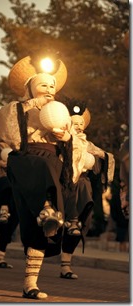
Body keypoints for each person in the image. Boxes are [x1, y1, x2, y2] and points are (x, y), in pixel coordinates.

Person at [0, 55, 71, 299]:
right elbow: (7, 136)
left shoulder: (60, 112)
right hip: (26, 160)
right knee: (37, 175)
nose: (50, 89)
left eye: (53, 85)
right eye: (44, 84)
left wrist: (66, 138)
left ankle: (30, 284)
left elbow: (73, 146)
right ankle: (46, 207)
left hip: (52, 161)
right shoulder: (17, 108)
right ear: (31, 86)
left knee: (42, 228)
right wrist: (33, 106)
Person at [57, 98, 115, 279]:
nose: (79, 126)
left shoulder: (88, 144)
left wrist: (101, 157)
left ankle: (66, 265)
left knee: (83, 222)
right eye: (75, 123)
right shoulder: (58, 140)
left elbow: (106, 157)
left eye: (81, 123)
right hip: (62, 183)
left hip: (82, 186)